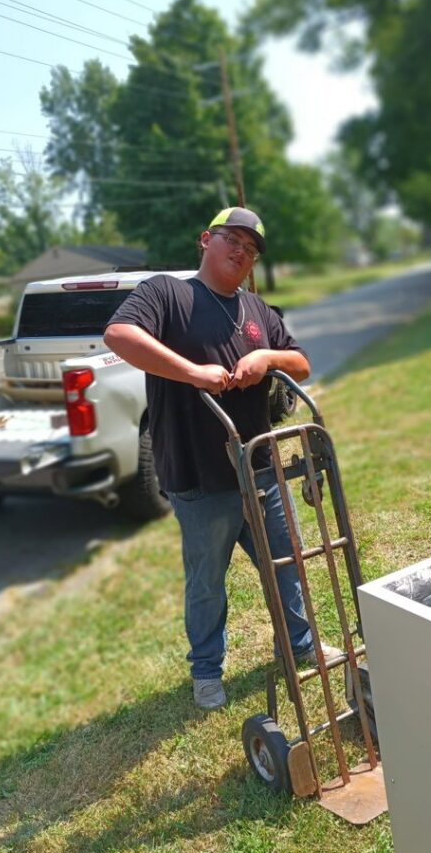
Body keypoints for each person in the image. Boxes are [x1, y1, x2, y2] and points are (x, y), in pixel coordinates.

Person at [103, 206, 341, 710]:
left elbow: (300, 361)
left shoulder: (258, 311)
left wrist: (267, 358)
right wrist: (193, 372)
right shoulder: (166, 294)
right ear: (205, 240)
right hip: (198, 476)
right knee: (207, 583)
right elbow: (119, 336)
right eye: (233, 239)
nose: (241, 252)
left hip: (260, 469)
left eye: (251, 249)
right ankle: (207, 672)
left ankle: (299, 646)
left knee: (288, 564)